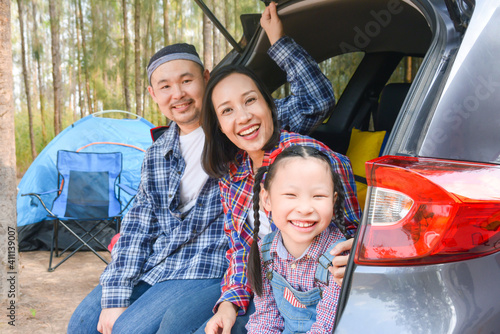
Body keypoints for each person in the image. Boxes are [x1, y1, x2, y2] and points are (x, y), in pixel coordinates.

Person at [68, 2, 336, 333]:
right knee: (81, 323)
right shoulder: (157, 154)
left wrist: (277, 41)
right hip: (159, 263)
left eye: (186, 81)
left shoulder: (237, 129)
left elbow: (316, 100)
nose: (178, 94)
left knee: (130, 329)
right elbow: (138, 226)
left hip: (205, 267)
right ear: (154, 94)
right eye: (165, 86)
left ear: (205, 78)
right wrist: (116, 293)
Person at [199, 64, 361, 333]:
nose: (243, 117)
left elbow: (352, 234)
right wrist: (230, 301)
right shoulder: (232, 171)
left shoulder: (312, 157)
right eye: (227, 110)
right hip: (267, 296)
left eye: (250, 100)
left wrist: (353, 259)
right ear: (219, 125)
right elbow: (241, 248)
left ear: (269, 104)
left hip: (323, 294)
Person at [246, 145, 352, 333]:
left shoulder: (339, 257)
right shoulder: (265, 251)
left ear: (333, 200)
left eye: (318, 196)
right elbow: (266, 316)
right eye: (291, 195)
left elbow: (327, 327)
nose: (305, 208)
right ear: (267, 199)